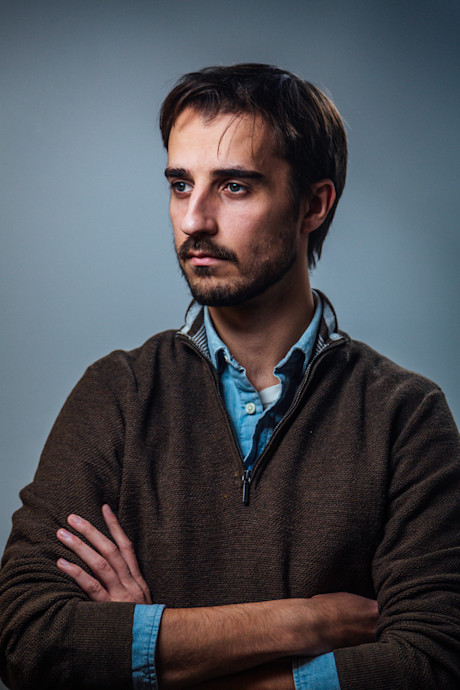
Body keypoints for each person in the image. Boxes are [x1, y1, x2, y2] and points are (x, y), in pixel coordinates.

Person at [0, 64, 459, 690]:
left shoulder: (404, 415)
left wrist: (148, 657)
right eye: (180, 185)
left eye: (235, 187)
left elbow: (431, 664)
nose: (194, 220)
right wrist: (306, 622)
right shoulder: (118, 395)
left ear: (314, 204)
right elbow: (27, 636)